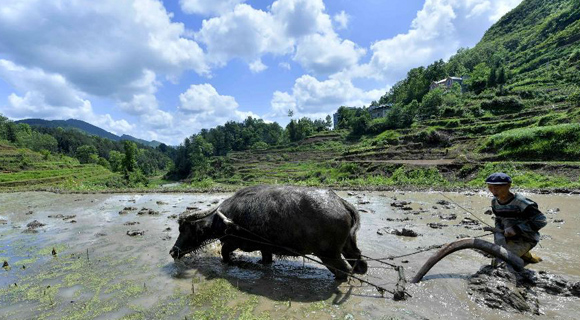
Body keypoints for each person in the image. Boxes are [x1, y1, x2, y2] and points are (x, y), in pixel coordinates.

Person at [485, 172, 547, 265]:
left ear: (508, 186)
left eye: (497, 188)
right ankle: (523, 254)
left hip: (525, 238)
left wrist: (516, 229)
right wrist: (498, 229)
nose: (493, 191)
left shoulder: (521, 202)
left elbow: (541, 220)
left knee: (502, 261)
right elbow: (498, 218)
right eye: (490, 188)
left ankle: (523, 255)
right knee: (498, 255)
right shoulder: (494, 202)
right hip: (505, 236)